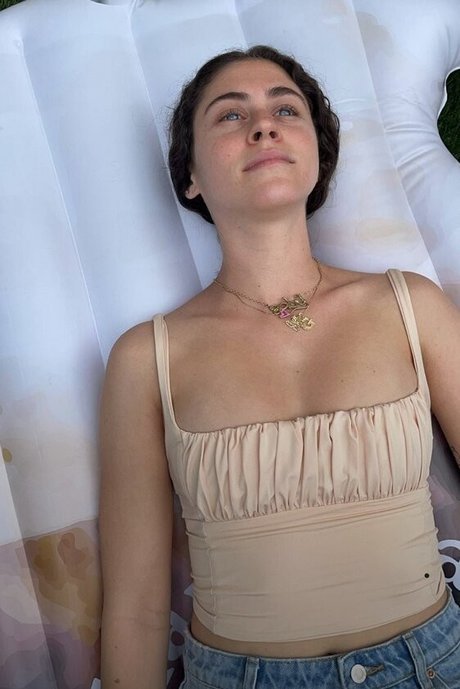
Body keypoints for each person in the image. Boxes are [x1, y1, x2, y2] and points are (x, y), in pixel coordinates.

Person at [98, 45, 460, 689]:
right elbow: (136, 607)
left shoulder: (411, 305)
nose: (264, 125)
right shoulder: (145, 359)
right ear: (191, 177)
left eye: (285, 110)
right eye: (231, 115)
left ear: (318, 157)